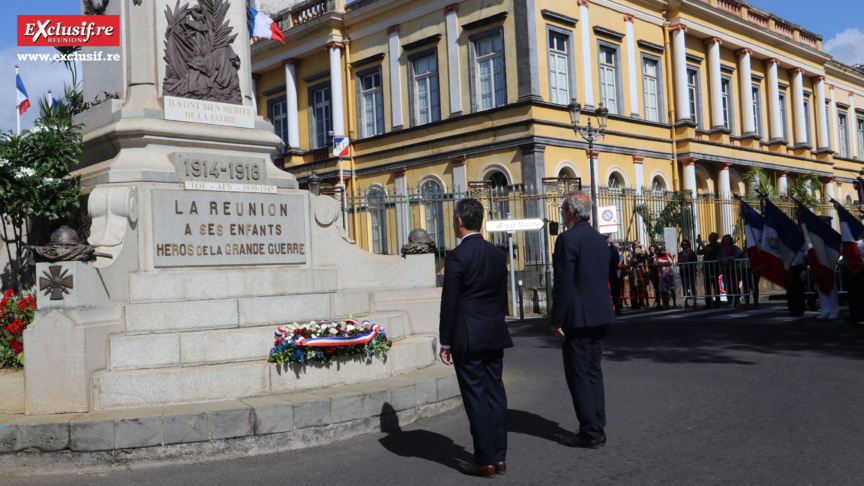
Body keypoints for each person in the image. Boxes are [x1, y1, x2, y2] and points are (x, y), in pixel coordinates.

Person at [439, 198, 513, 478]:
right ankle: (500, 457)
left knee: (476, 398)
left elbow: (450, 302)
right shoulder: (496, 254)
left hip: (467, 336)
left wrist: (445, 341)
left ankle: (484, 460)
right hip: (494, 332)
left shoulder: (457, 256)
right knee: (496, 393)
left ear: (459, 222)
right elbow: (500, 297)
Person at [551, 192, 617, 448]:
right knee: (593, 371)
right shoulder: (600, 240)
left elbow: (563, 283)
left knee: (578, 374)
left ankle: (589, 431)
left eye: (562, 209)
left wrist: (557, 319)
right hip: (600, 312)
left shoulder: (568, 239)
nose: (561, 213)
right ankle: (597, 424)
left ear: (570, 212)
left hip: (578, 316)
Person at [697, 233, 721, 308]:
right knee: (707, 286)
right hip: (707, 268)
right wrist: (699, 245)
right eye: (709, 236)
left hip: (714, 268)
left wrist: (701, 243)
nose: (710, 237)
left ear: (716, 238)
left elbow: (708, 251)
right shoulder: (708, 245)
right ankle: (708, 302)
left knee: (715, 285)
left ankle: (717, 301)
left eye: (712, 236)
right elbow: (699, 253)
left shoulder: (717, 245)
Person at [719, 235, 741, 306]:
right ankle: (730, 300)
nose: (726, 241)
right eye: (724, 240)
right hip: (725, 269)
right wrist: (721, 259)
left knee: (735, 284)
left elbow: (736, 256)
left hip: (733, 268)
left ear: (730, 240)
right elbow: (718, 257)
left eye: (727, 240)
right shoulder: (721, 248)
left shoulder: (734, 247)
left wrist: (727, 259)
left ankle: (737, 300)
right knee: (727, 285)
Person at [678, 239, 698, 308]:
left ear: (688, 245)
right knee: (685, 287)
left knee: (693, 287)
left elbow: (695, 260)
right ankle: (685, 302)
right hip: (683, 271)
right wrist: (681, 261)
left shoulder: (691, 252)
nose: (684, 246)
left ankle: (695, 301)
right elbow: (678, 261)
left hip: (691, 271)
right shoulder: (680, 253)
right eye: (683, 245)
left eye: (686, 245)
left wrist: (687, 260)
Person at [606, 234, 622, 316]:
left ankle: (617, 307)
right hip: (604, 272)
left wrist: (614, 267)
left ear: (608, 239)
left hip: (612, 271)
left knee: (615, 290)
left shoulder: (613, 248)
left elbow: (616, 259)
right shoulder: (599, 247)